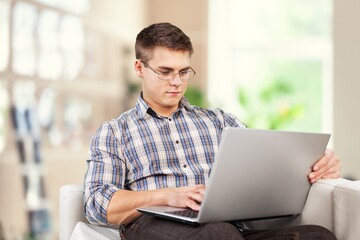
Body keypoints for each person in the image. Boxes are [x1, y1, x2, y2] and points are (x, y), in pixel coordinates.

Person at [84, 22, 341, 240]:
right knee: (218, 233)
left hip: (226, 228)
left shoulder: (219, 121)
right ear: (140, 68)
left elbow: (267, 166)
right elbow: (97, 204)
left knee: (317, 235)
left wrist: (317, 165)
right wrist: (169, 196)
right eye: (165, 72)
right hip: (152, 225)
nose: (176, 82)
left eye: (184, 72)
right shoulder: (115, 131)